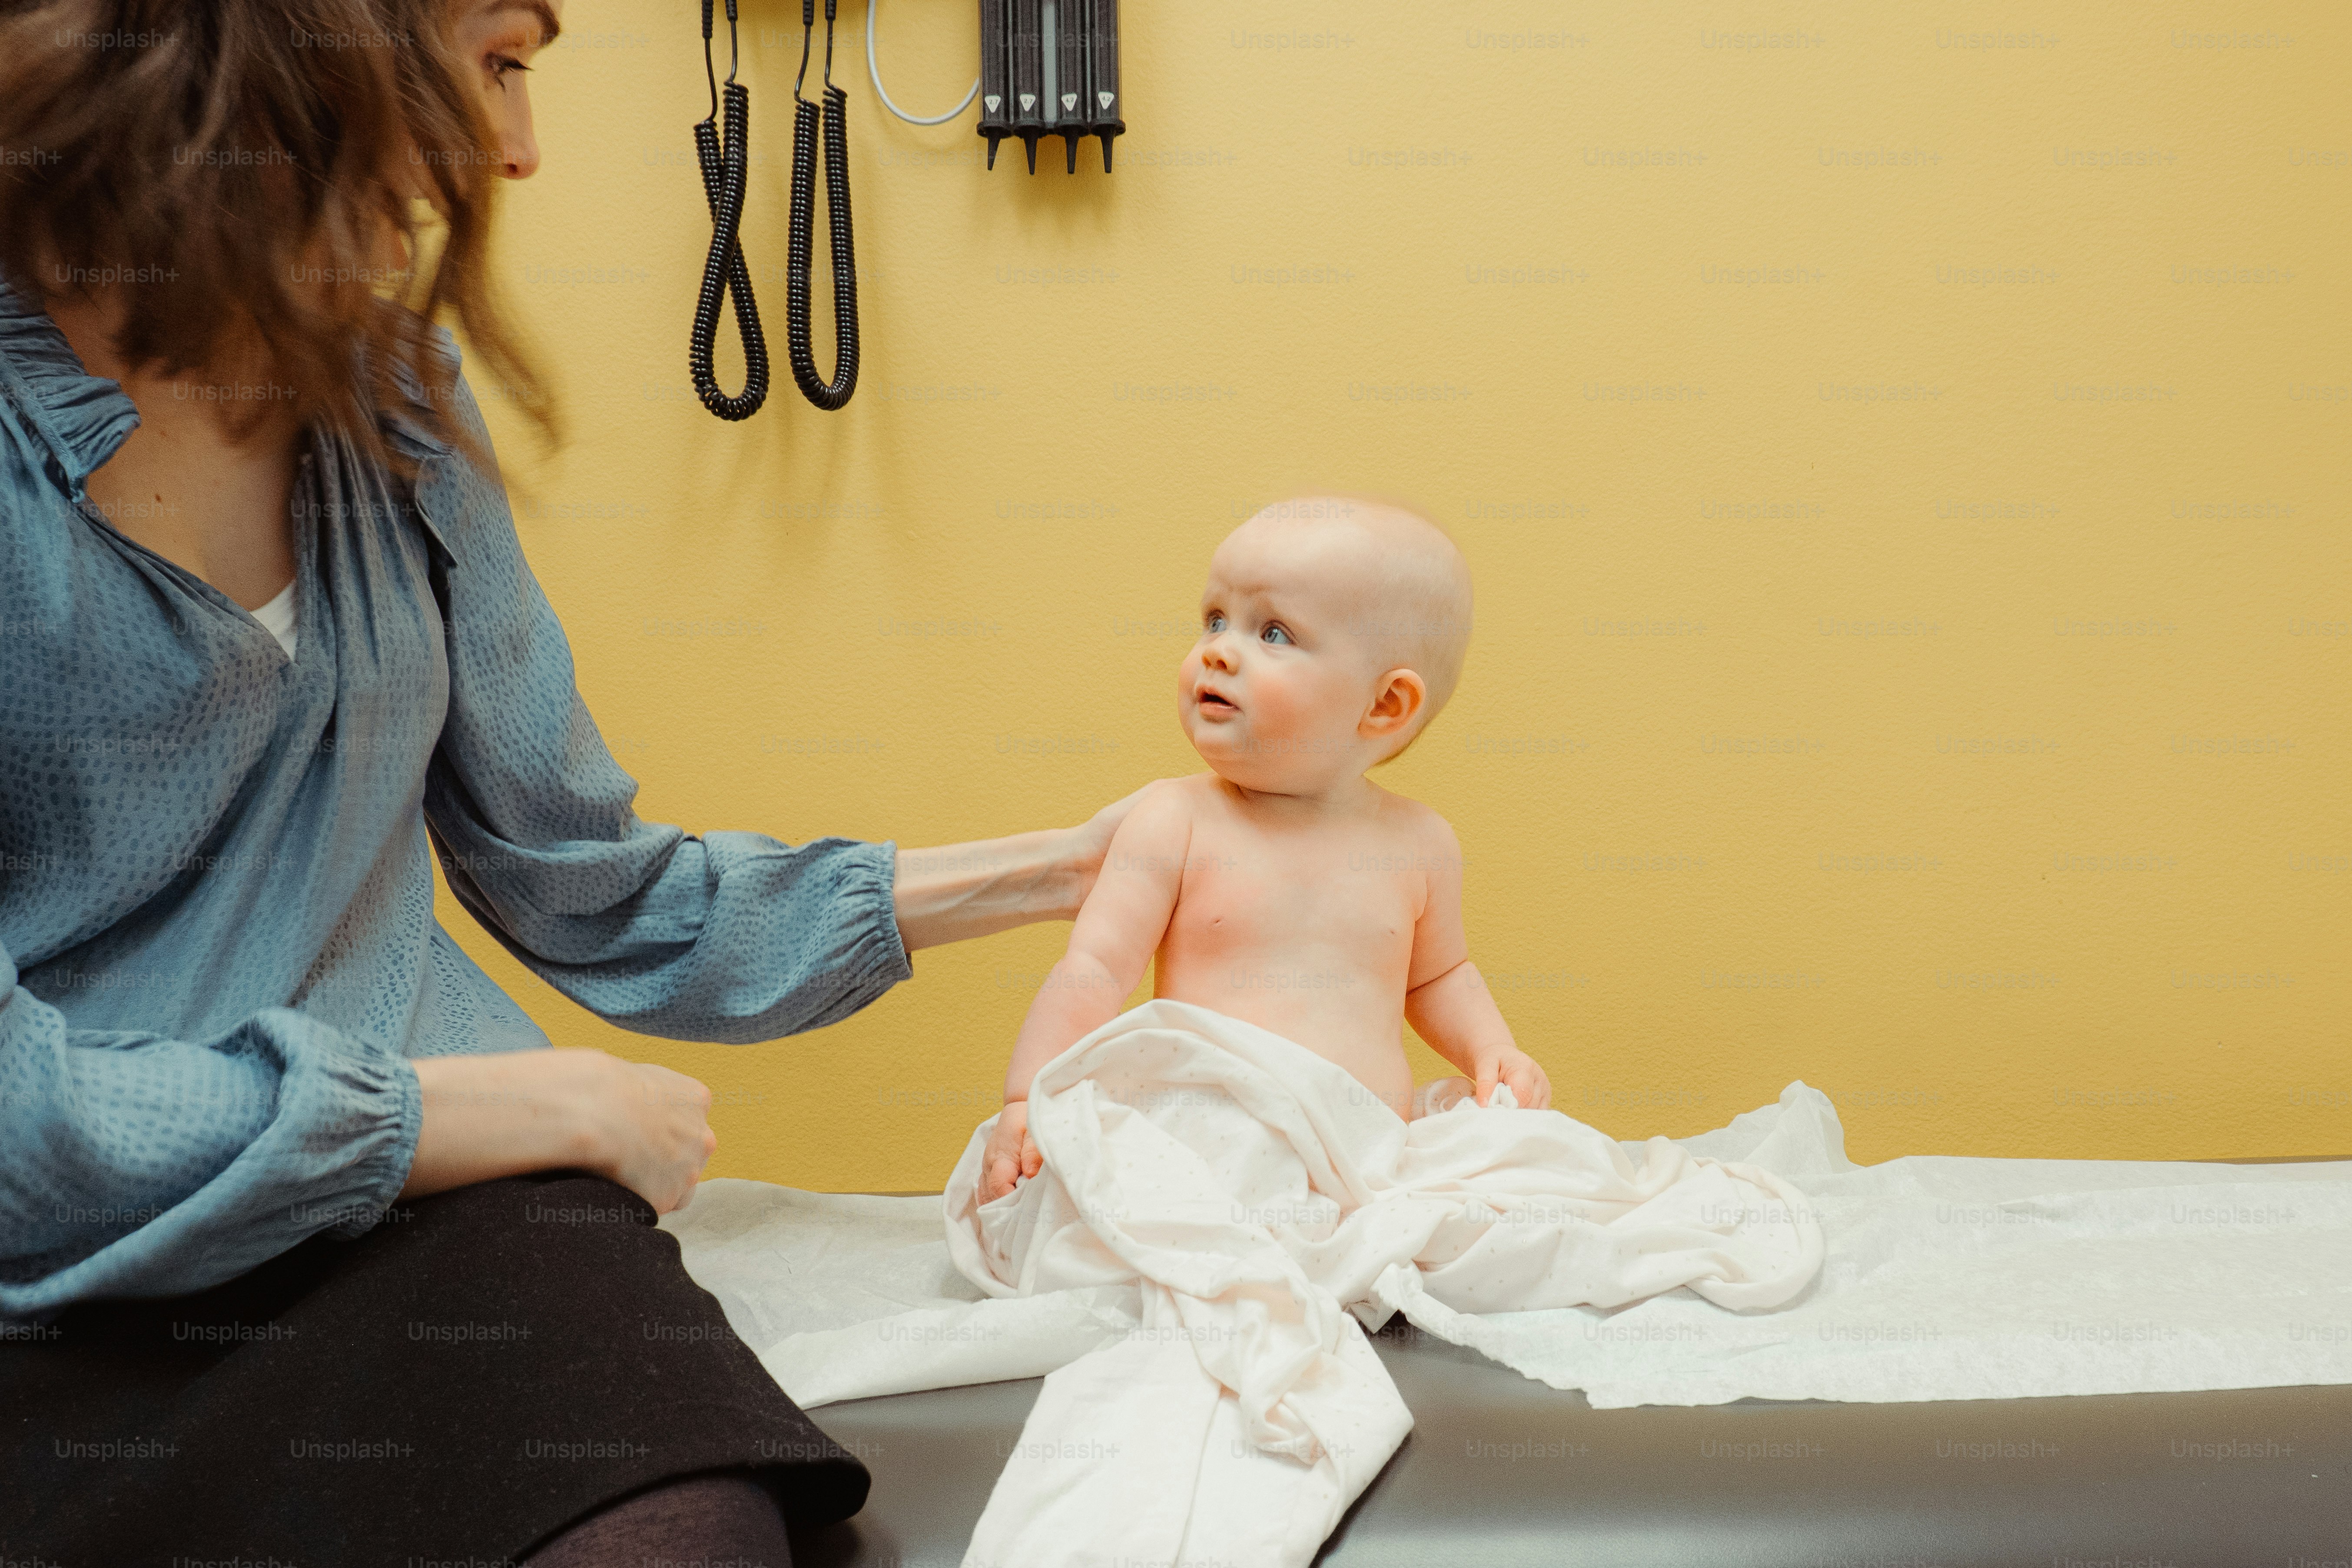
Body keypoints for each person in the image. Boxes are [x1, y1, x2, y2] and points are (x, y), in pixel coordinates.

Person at [0, 1, 1145, 1562]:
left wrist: (1070, 869)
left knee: (691, 1526)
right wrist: (445, 1109)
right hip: (70, 1264)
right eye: (498, 63)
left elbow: (584, 889)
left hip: (415, 1222)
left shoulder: (397, 394)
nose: (520, 151)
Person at [979, 498, 1552, 1203]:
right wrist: (1025, 1098)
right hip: (1202, 1154)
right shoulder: (1176, 819)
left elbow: (1439, 978)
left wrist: (1491, 1048)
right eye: (1215, 619)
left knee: (1520, 1179)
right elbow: (1094, 969)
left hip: (1364, 1158)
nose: (1218, 650)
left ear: (1384, 705)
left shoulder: (1418, 842)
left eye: (1273, 631)